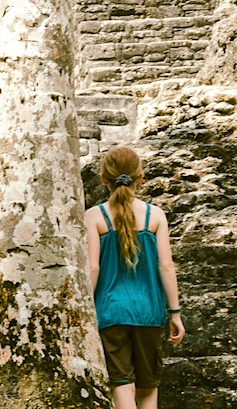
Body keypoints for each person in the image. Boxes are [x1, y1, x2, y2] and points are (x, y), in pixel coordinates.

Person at [85, 146, 185, 409]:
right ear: (140, 177)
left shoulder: (95, 216)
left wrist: (85, 312)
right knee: (148, 387)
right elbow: (166, 266)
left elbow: (93, 268)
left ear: (103, 178)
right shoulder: (156, 215)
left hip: (109, 312)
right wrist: (174, 313)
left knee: (122, 384)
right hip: (149, 312)